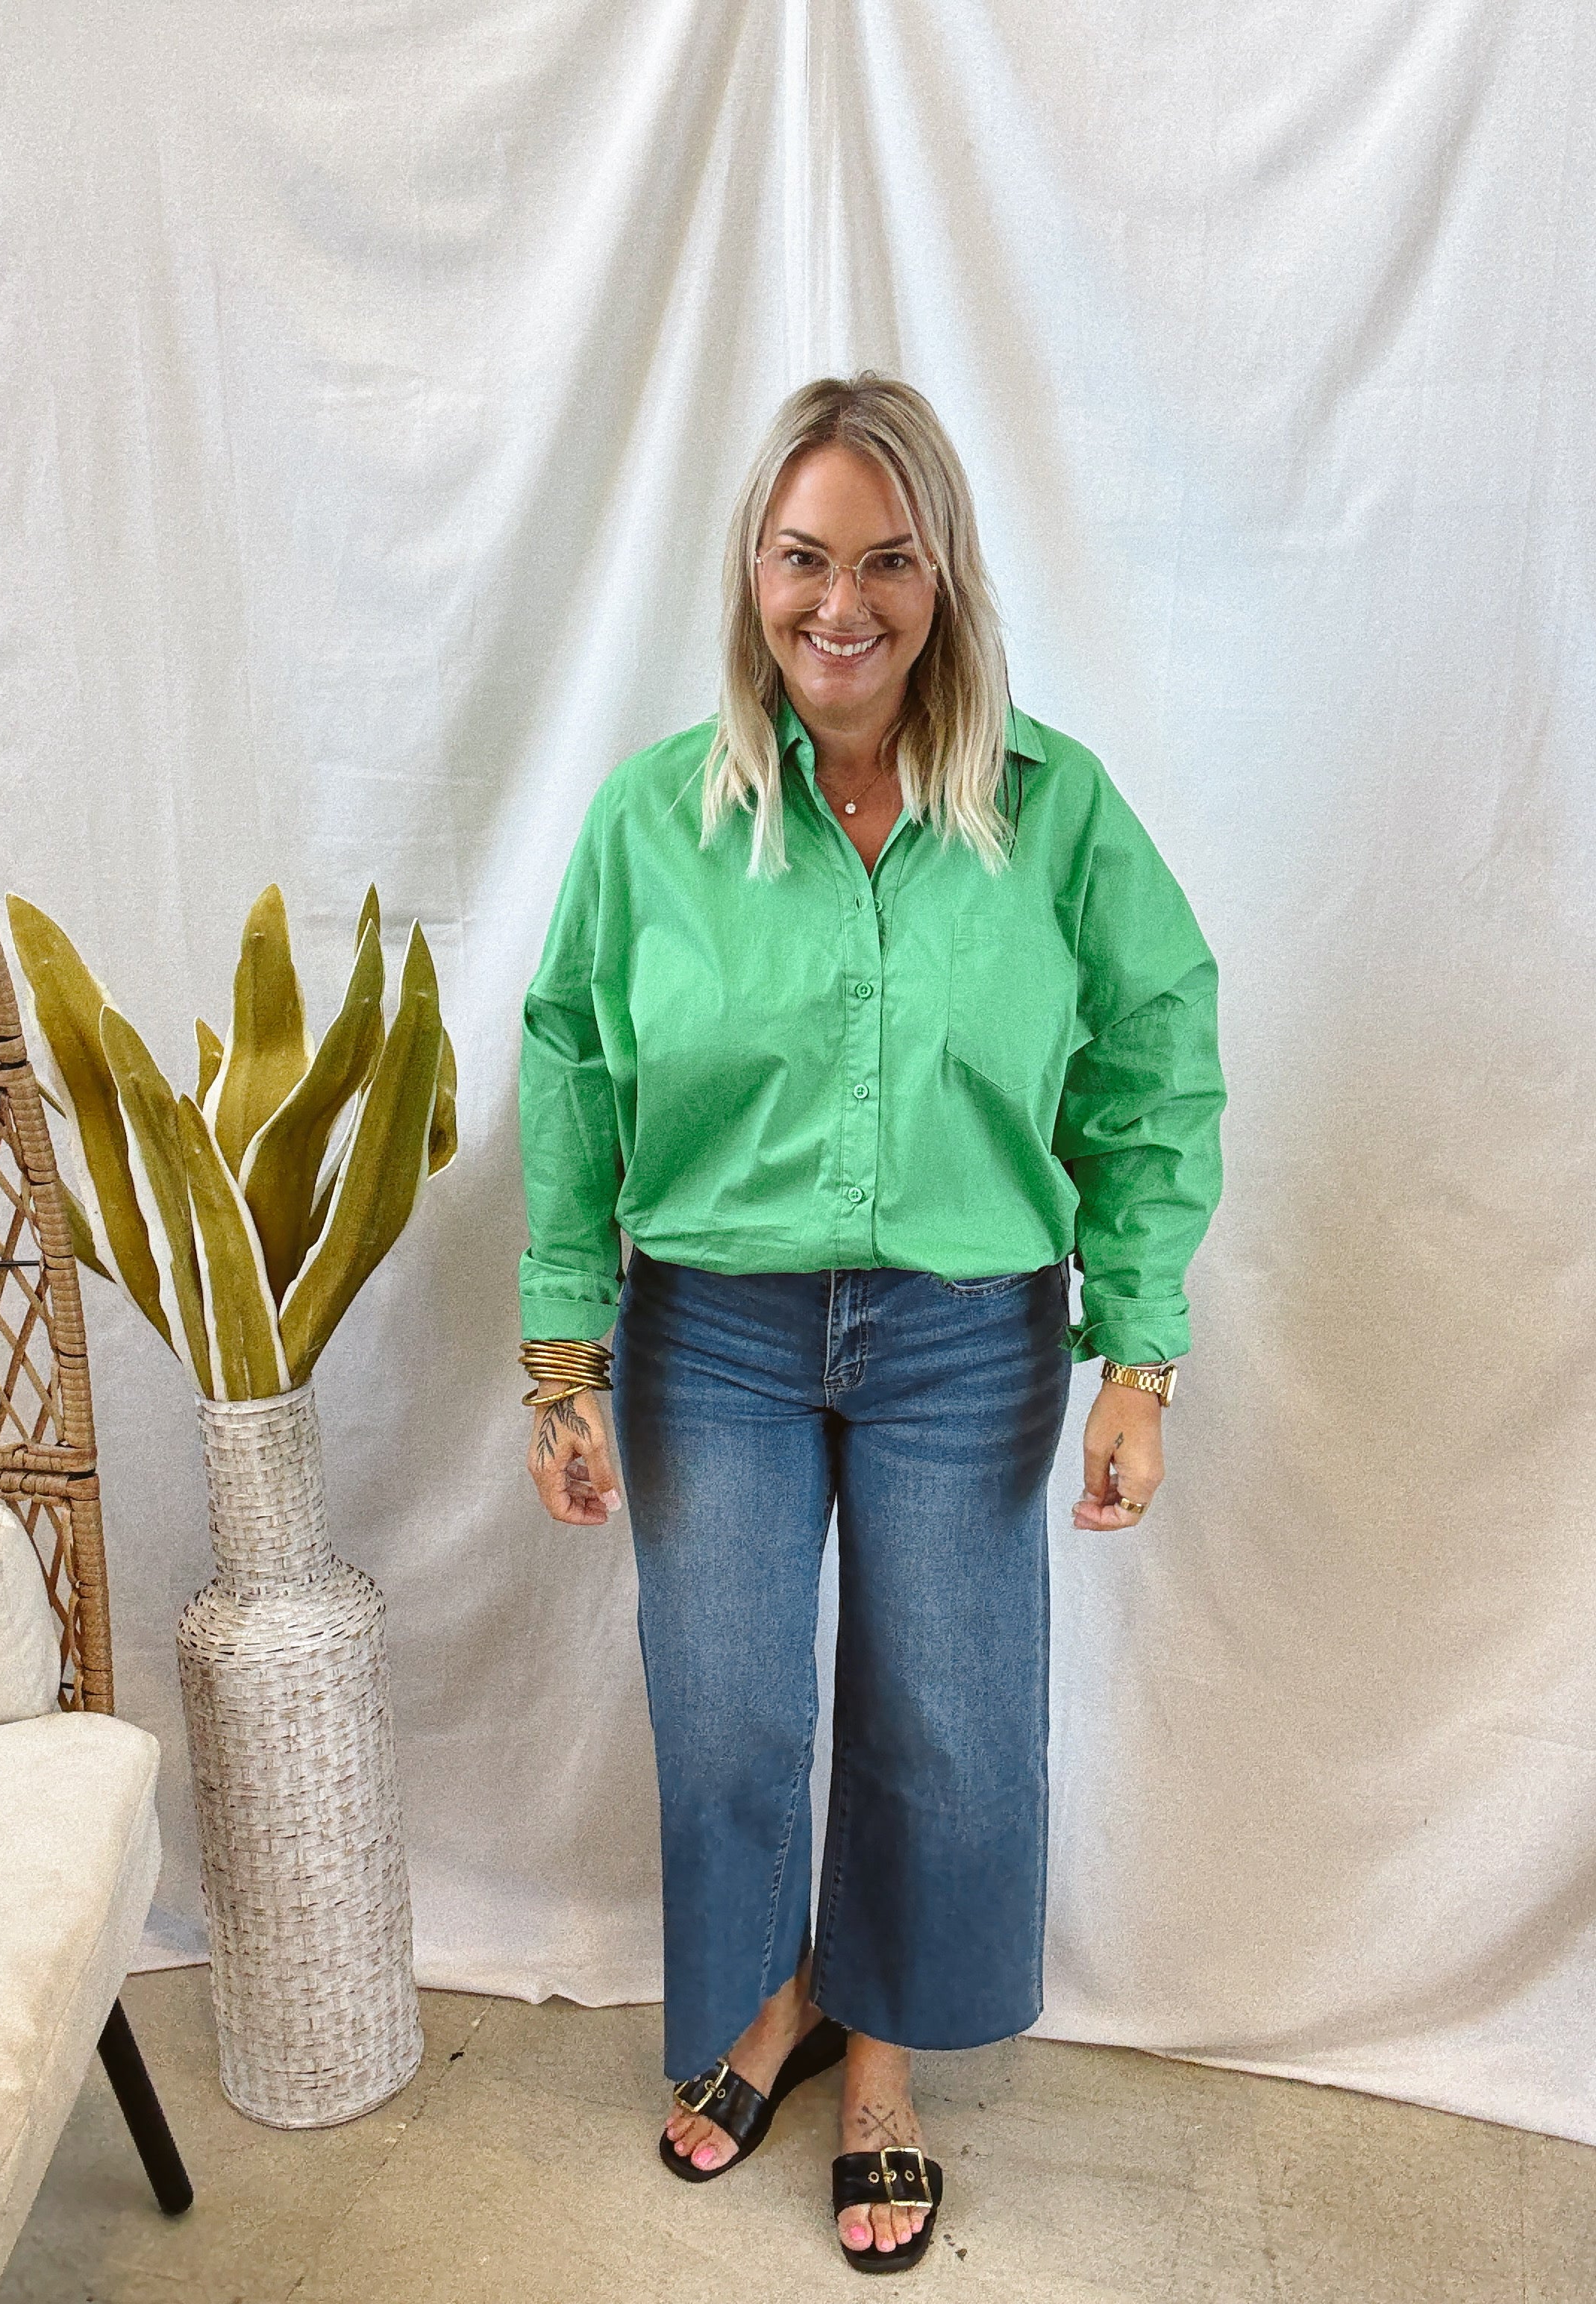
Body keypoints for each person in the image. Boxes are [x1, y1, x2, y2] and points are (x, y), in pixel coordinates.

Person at [516, 373, 1224, 2272]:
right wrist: (564, 1350)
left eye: (888, 560)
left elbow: (1157, 1058)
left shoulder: (1054, 811)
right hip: (713, 1335)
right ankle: (780, 2000)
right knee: (733, 1718)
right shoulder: (655, 819)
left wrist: (1139, 1355)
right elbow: (570, 1059)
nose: (844, 604)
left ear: (945, 577)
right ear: (751, 572)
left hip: (968, 1335)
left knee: (947, 1727)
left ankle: (881, 2057)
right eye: (804, 557)